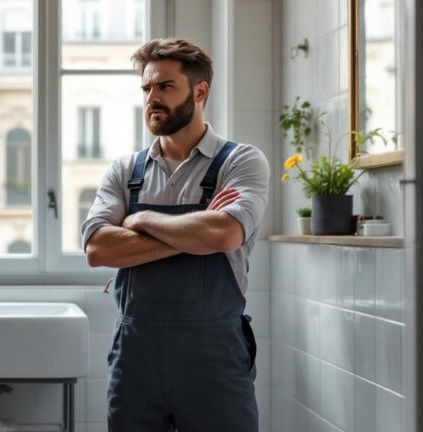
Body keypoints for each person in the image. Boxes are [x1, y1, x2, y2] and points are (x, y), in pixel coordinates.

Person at [82, 38, 269, 431]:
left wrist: (139, 219)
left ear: (200, 91)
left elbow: (224, 235)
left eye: (165, 86)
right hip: (136, 360)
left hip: (214, 359)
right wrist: (195, 231)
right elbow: (98, 248)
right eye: (147, 88)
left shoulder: (241, 161)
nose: (152, 97)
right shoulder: (124, 171)